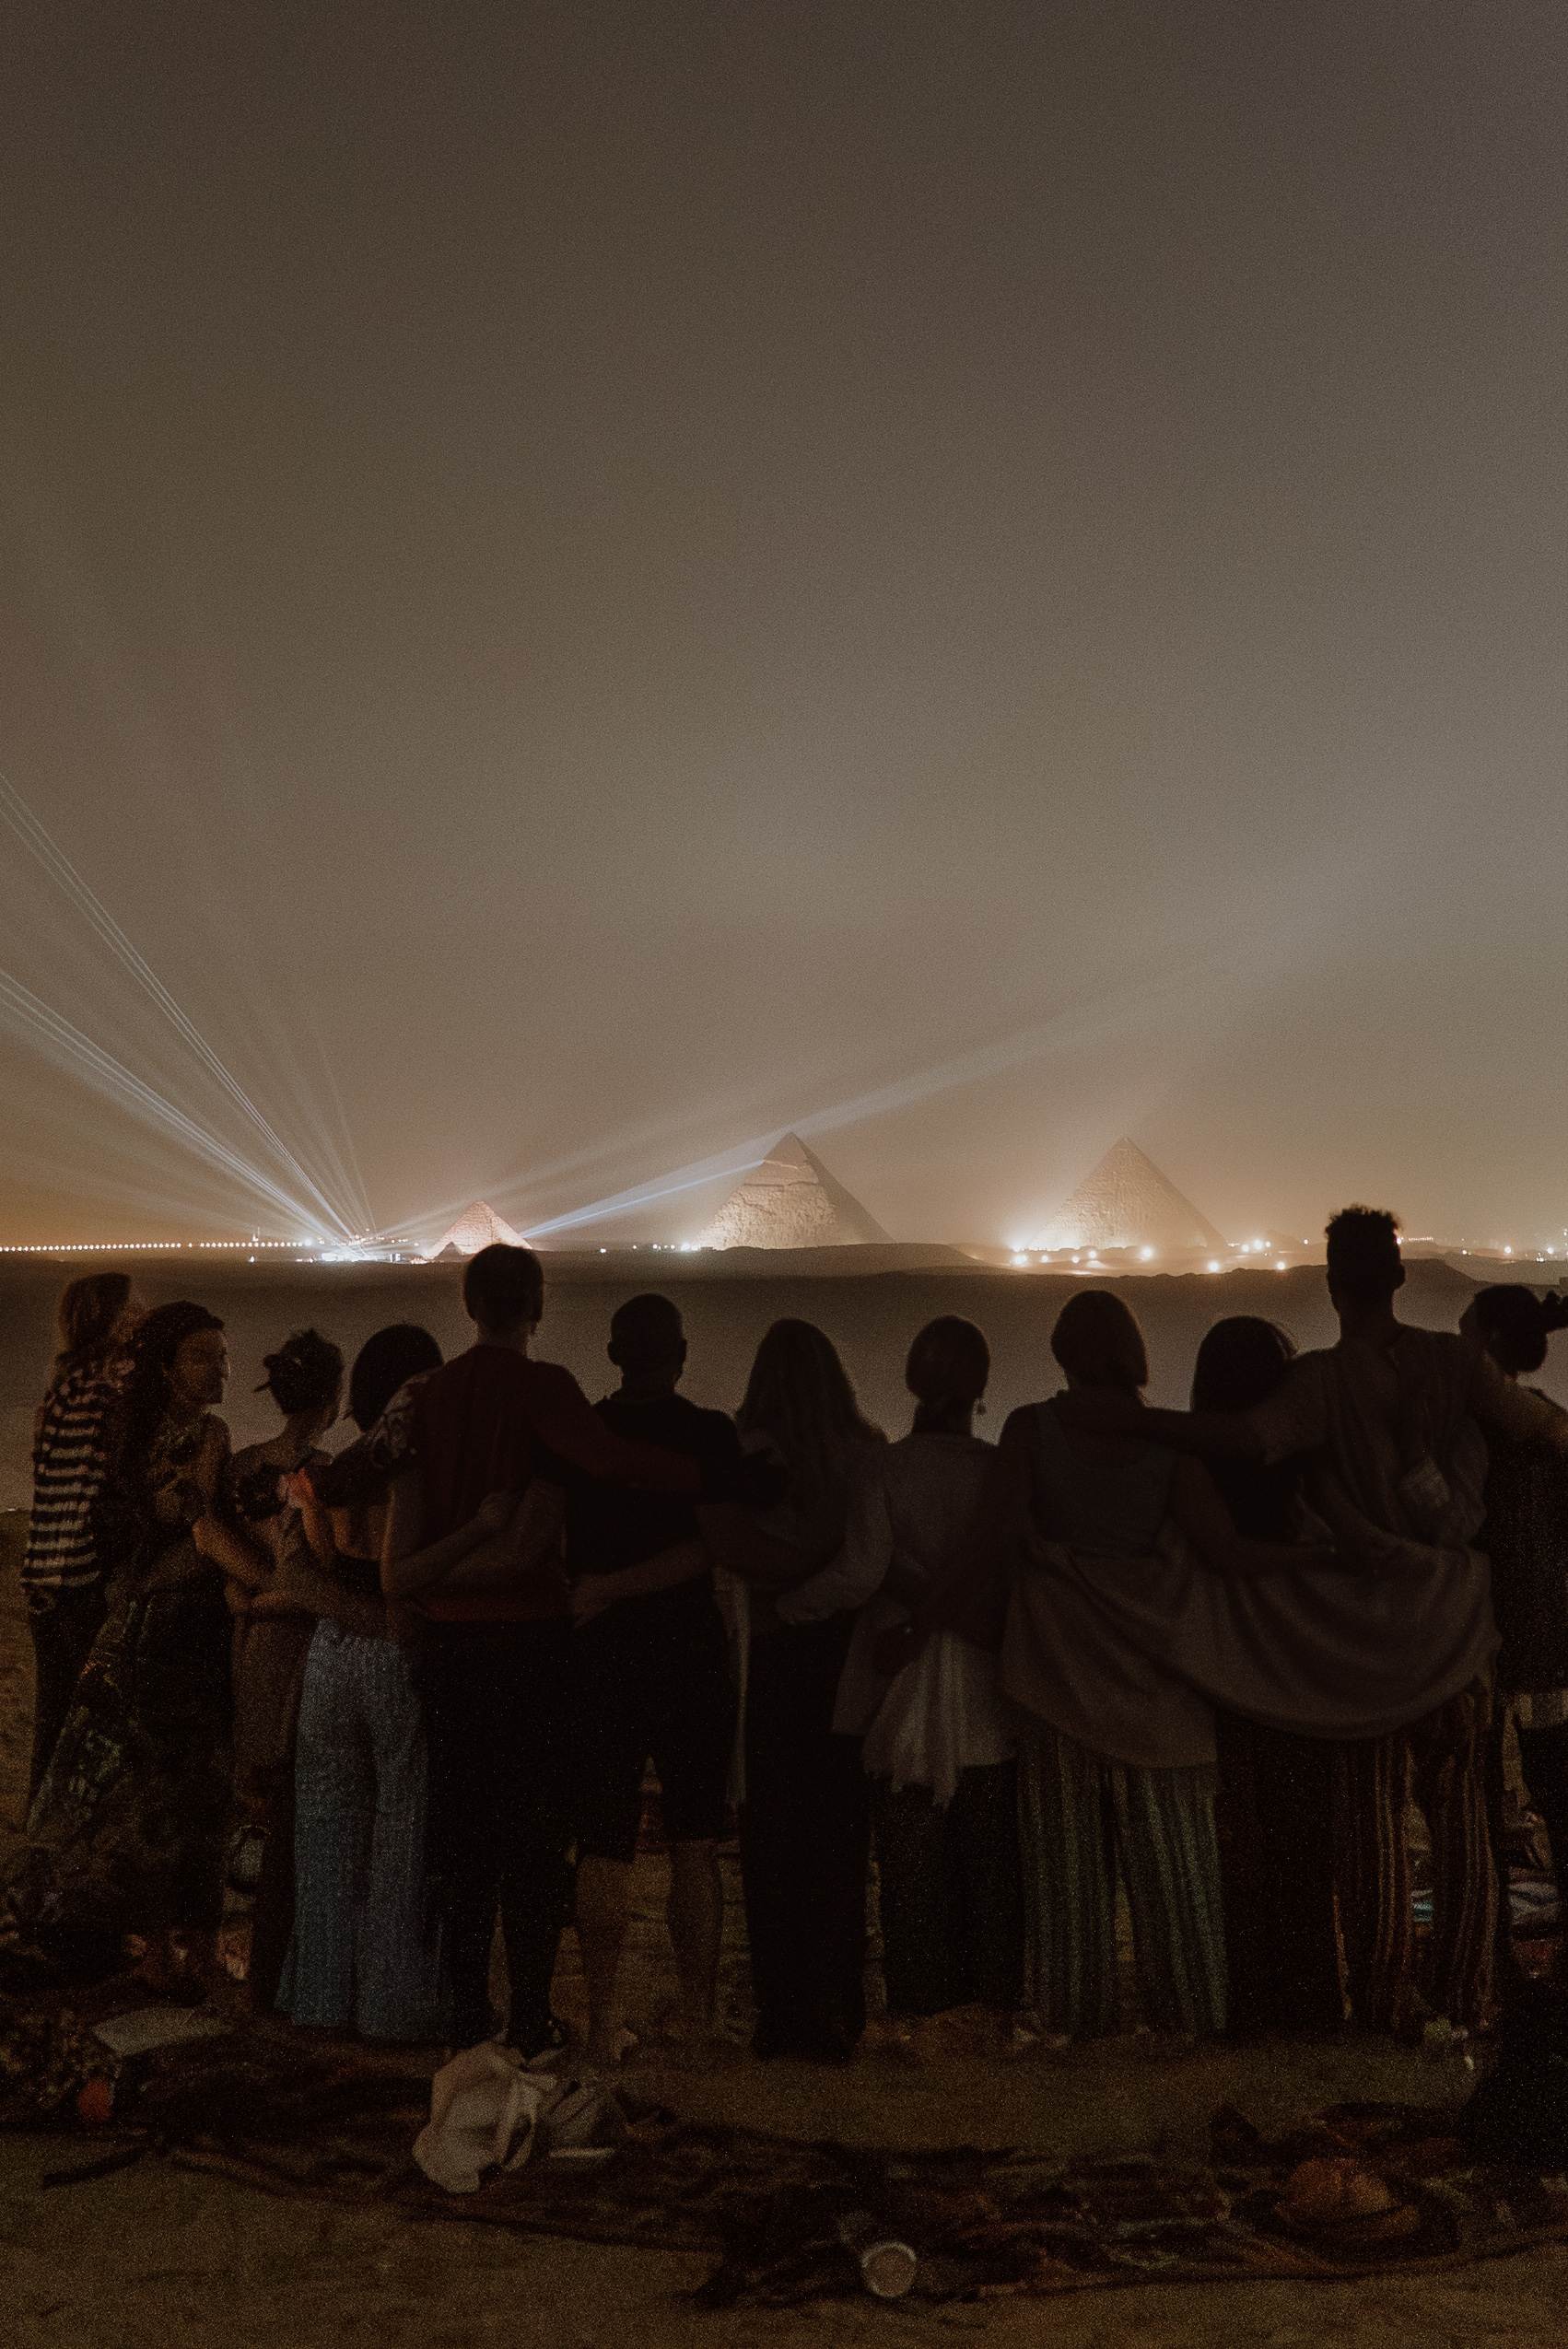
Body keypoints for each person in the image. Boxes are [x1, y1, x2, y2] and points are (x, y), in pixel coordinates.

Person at [1057, 1209, 1568, 2033]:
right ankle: (1465, 1992)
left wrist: (1127, 1418)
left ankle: (1383, 2001)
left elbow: (1243, 1439)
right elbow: (1542, 1428)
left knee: (1371, 1826)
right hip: (1457, 1623)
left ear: (1332, 1285)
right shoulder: (1454, 1364)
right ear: (1400, 1277)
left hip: (1368, 1639)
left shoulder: (1320, 1384)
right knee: (1464, 1822)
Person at [377, 1244, 708, 2057]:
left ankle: (466, 2011)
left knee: (463, 1833)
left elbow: (391, 1508)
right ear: (537, 1304)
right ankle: (528, 2014)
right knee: (531, 1836)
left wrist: (433, 1573)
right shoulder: (546, 1390)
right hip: (526, 1641)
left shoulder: (425, 1396)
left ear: (468, 1305)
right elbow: (615, 1463)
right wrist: (715, 1470)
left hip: (447, 1643)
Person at [778, 1316, 1024, 2044]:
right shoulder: (997, 1472)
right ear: (980, 1390)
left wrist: (786, 1607)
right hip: (990, 1689)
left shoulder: (884, 1471)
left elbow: (858, 1576)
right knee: (991, 1870)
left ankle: (921, 2007)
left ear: (913, 1382)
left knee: (913, 1876)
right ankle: (994, 2008)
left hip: (898, 1691)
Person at [535, 1295, 743, 2069]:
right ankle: (696, 2018)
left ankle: (601, 2019)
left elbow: (550, 1538)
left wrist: (598, 1590)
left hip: (601, 1653)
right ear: (680, 1355)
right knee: (694, 1842)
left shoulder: (580, 1436)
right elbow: (715, 1547)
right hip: (688, 1649)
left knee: (604, 1841)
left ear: (613, 1355)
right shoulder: (710, 1434)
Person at [25, 1303, 234, 1993]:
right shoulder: (203, 1435)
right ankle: (188, 1953)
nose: (221, 1369)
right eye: (204, 1356)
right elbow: (194, 1526)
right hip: (177, 1629)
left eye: (222, 1356)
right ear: (168, 1367)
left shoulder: (123, 1433)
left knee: (149, 1796)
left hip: (128, 1622)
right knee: (189, 1789)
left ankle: (159, 1951)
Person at [268, 1324, 464, 2040]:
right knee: (402, 1826)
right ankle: (392, 2002)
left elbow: (313, 1563)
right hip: (392, 1652)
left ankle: (321, 1997)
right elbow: (405, 1572)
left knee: (325, 1829)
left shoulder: (331, 1474)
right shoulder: (413, 1470)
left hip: (330, 1650)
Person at [700, 1319, 886, 2062]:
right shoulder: (865, 1452)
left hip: (768, 1657)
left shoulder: (743, 1452)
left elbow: (730, 1554)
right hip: (843, 1660)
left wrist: (780, 1594)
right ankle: (838, 2006)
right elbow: (867, 1563)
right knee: (840, 1837)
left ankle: (781, 2013)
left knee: (772, 1840)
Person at [1190, 1317, 1343, 2037]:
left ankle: (1250, 2004)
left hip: (1223, 1674)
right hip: (1300, 1673)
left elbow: (1220, 1554)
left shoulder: (1193, 1464)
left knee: (1238, 1847)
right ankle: (1312, 2002)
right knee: (1304, 1845)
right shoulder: (1307, 1467)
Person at [205, 1328, 345, 2012]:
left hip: (249, 1639)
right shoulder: (325, 1475)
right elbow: (318, 1577)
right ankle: (278, 1962)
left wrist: (245, 1598)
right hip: (301, 1641)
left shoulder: (240, 1468)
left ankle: (238, 1948)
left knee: (251, 1791)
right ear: (335, 1398)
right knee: (292, 1803)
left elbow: (224, 1555)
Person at [1465, 1286, 1568, 1919]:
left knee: (1476, 1799)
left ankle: (1489, 1939)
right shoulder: (1545, 1424)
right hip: (1549, 1631)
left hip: (1475, 1635)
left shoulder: (1467, 1433)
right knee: (1557, 1790)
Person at [22, 1272, 137, 1803]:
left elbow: (44, 1472)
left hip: (42, 1571)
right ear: (110, 1320)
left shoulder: (61, 1387)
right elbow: (111, 1479)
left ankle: (37, 1822)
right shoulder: (108, 1385)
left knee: (52, 1711)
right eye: (131, 1308)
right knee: (90, 1715)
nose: (140, 1315)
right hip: (81, 1572)